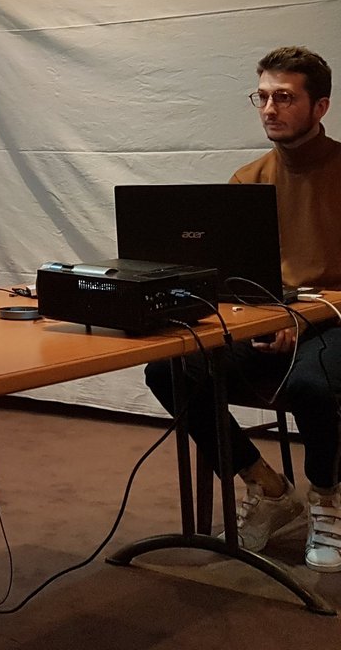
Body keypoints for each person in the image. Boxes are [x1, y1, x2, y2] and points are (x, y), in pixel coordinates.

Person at [145, 46, 341, 572]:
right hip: (273, 322)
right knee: (167, 370)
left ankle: (326, 500)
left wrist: (298, 319)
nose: (269, 108)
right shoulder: (246, 180)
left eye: (285, 97)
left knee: (314, 386)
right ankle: (270, 488)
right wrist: (266, 318)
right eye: (263, 96)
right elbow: (235, 282)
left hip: (334, 324)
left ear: (319, 106)